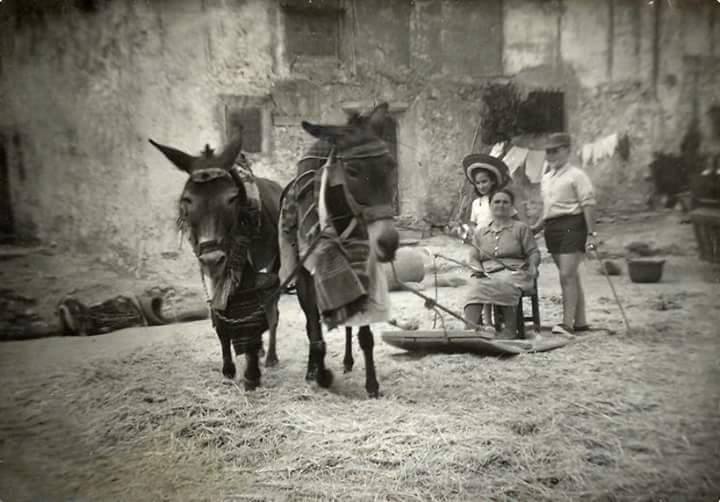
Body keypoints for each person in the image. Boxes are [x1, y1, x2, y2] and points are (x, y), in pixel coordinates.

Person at [530, 132, 597, 336]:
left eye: (555, 151)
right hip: (552, 228)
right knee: (571, 275)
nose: (551, 155)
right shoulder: (546, 178)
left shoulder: (576, 175)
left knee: (566, 274)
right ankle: (580, 321)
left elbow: (588, 204)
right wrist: (536, 227)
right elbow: (548, 207)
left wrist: (591, 233)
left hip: (572, 224)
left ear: (567, 150)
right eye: (548, 152)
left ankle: (567, 323)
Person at [463, 188, 541, 339]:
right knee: (475, 286)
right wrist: (478, 270)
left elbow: (533, 252)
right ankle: (470, 330)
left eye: (505, 202)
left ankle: (510, 330)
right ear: (490, 205)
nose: (501, 205)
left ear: (511, 206)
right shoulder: (481, 232)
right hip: (487, 273)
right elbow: (473, 256)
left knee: (506, 281)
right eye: (497, 202)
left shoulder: (520, 228)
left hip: (515, 272)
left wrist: (533, 266)